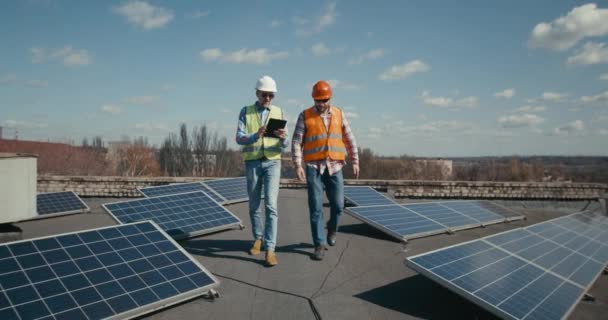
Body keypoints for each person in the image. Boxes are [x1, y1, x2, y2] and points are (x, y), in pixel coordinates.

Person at [291, 80, 359, 261]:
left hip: (335, 167)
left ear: (330, 98)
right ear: (313, 99)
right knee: (315, 208)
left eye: (324, 100)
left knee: (338, 205)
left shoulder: (339, 114)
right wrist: (298, 165)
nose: (321, 104)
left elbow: (349, 138)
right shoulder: (304, 115)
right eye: (318, 101)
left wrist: (355, 160)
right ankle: (319, 244)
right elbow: (297, 141)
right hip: (314, 168)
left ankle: (332, 228)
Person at [236, 75, 288, 267]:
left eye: (271, 95)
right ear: (257, 93)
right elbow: (239, 138)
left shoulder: (279, 111)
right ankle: (258, 238)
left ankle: (270, 248)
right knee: (254, 204)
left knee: (271, 206)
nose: (268, 99)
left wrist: (282, 137)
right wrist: (254, 135)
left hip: (273, 162)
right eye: (264, 95)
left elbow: (286, 143)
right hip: (253, 163)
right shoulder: (246, 111)